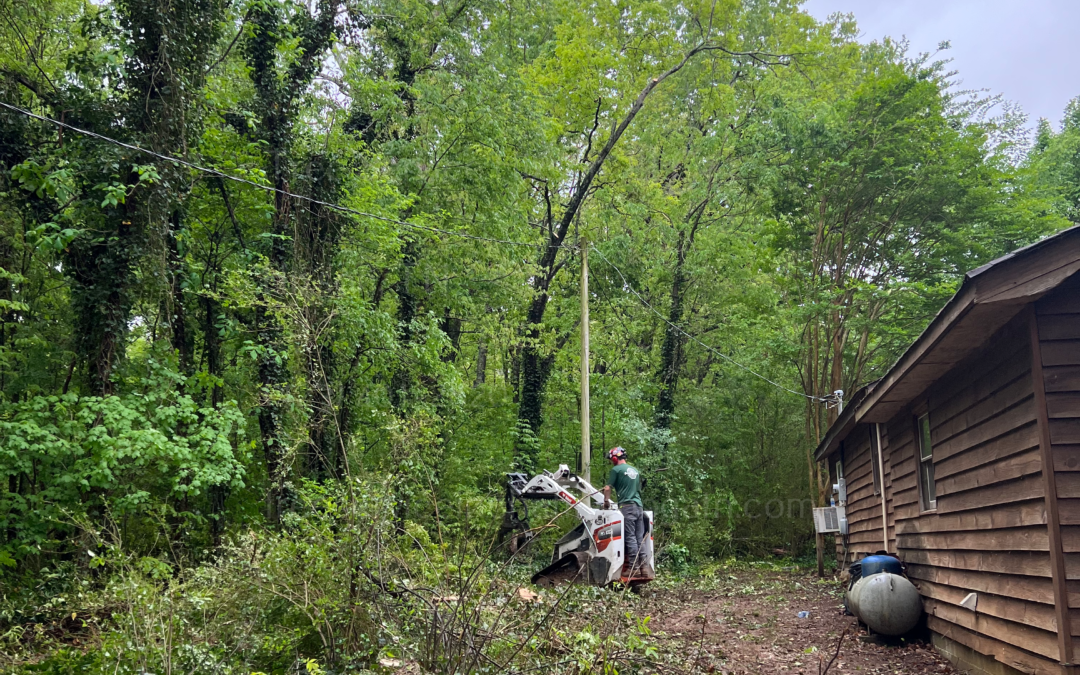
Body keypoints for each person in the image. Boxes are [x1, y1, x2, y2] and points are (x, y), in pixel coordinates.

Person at [602, 446, 645, 574]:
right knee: (639, 538)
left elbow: (607, 488)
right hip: (639, 507)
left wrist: (606, 502)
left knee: (630, 537)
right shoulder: (635, 470)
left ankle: (633, 568)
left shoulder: (616, 470)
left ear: (615, 458)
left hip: (627, 507)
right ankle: (644, 567)